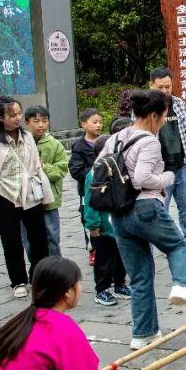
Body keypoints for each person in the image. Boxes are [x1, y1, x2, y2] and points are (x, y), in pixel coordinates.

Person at [100, 89, 186, 349]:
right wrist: (167, 178)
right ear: (152, 116)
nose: (163, 123)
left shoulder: (115, 138)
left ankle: (143, 334)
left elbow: (100, 168)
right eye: (163, 117)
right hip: (145, 207)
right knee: (177, 244)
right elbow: (142, 178)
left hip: (119, 214)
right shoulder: (148, 141)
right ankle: (183, 284)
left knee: (140, 277)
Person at [0, 96, 53, 298]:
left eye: (19, 113)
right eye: (12, 115)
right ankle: (18, 281)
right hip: (6, 195)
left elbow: (36, 166)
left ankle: (38, 277)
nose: (17, 118)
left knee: (39, 239)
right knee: (11, 241)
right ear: (0, 117)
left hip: (31, 195)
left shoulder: (27, 137)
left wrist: (45, 194)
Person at [147, 67, 186, 254]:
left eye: (168, 86)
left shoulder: (179, 103)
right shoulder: (145, 107)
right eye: (160, 87)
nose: (165, 91)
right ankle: (163, 243)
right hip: (159, 168)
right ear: (151, 85)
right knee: (160, 208)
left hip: (182, 163)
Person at [82, 117, 132, 305]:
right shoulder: (94, 174)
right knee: (103, 260)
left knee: (120, 258)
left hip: (117, 226)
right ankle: (101, 289)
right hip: (103, 228)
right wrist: (93, 225)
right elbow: (90, 203)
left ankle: (120, 284)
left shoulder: (116, 169)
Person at [23, 106, 68, 256]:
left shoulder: (54, 145)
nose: (41, 125)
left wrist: (43, 167)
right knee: (28, 239)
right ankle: (36, 266)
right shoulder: (21, 143)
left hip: (49, 201)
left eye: (44, 120)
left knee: (52, 237)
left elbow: (61, 170)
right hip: (26, 199)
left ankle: (55, 266)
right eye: (36, 121)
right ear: (27, 122)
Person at [68, 108, 105, 260]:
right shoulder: (79, 145)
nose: (98, 125)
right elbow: (76, 170)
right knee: (88, 218)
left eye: (100, 122)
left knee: (104, 217)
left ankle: (105, 246)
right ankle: (93, 249)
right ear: (84, 124)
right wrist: (95, 172)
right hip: (87, 190)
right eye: (94, 122)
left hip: (105, 189)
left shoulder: (104, 142)